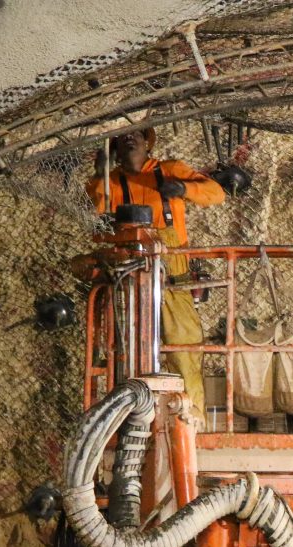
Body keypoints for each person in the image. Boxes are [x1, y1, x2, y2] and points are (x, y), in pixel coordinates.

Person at [86, 127, 225, 420]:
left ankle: (192, 419)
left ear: (148, 144)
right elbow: (94, 218)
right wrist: (100, 176)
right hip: (129, 281)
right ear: (114, 147)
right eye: (122, 134)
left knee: (184, 349)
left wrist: (184, 189)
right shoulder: (108, 183)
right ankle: (128, 418)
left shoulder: (170, 170)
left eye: (136, 133)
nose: (129, 137)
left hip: (174, 278)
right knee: (124, 354)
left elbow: (216, 194)